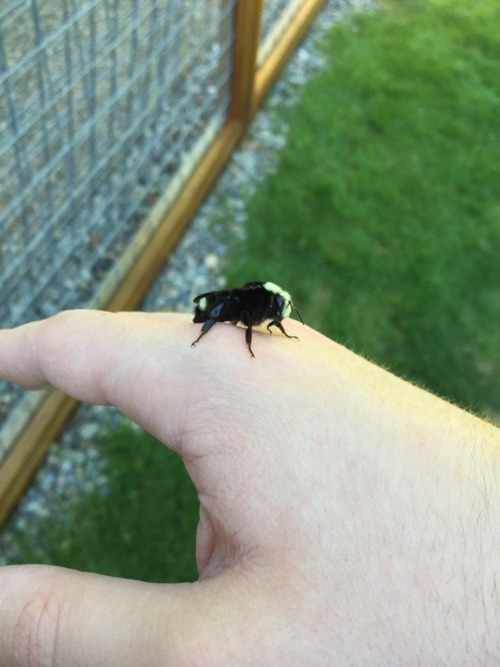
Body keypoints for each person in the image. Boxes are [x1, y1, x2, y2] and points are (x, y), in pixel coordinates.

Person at [0, 309, 498, 666]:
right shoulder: (256, 310)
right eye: (279, 314)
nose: (281, 319)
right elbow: (249, 319)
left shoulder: (264, 310)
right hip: (220, 310)